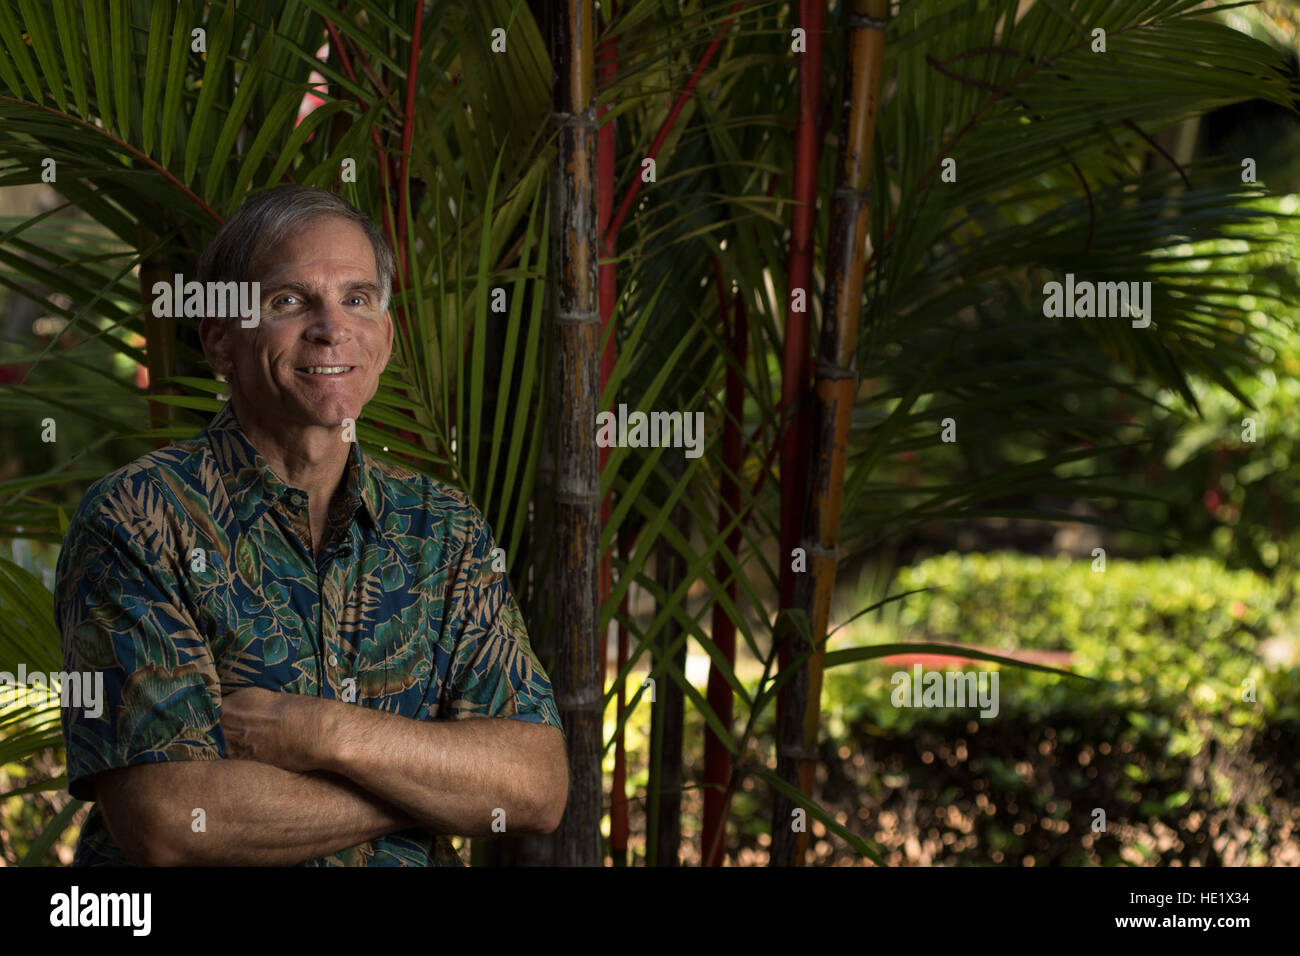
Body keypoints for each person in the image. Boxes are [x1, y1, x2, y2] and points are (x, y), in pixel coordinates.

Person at [55, 186, 568, 866]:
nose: (332, 327)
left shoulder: (443, 529)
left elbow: (534, 784)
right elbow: (172, 817)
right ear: (219, 340)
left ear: (384, 339)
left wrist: (326, 734)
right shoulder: (139, 519)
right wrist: (428, 784)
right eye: (289, 301)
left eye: (358, 299)